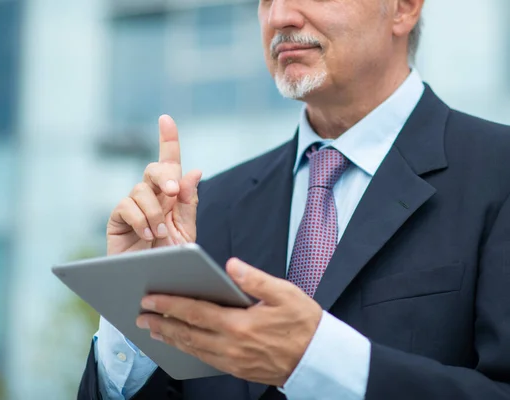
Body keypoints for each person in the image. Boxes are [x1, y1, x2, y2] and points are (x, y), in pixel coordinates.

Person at [79, 0, 510, 399]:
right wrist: (135, 307)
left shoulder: (497, 172)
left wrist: (316, 359)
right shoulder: (205, 208)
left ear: (403, 8)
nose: (280, 16)